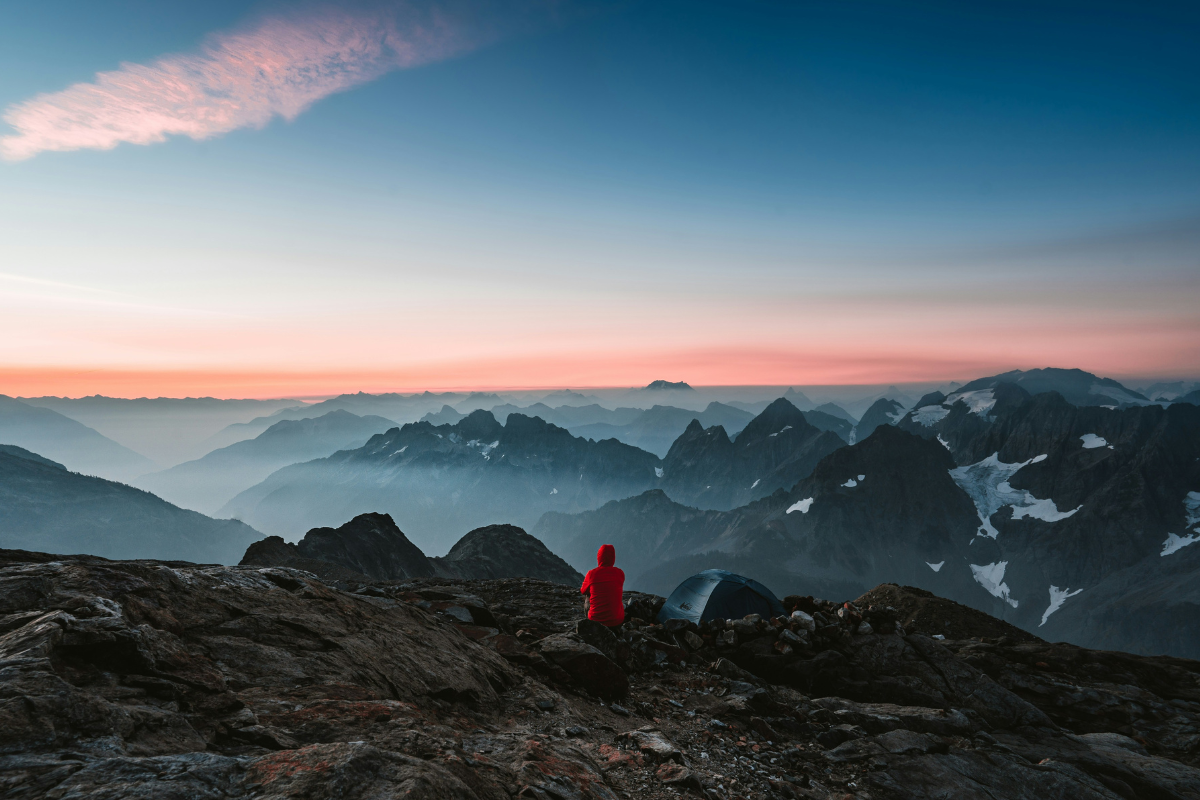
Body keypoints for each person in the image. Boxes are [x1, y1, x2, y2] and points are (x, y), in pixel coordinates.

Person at [580, 543, 625, 629]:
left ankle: (592, 617)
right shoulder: (620, 573)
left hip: (595, 621)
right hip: (617, 621)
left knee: (588, 594)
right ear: (613, 558)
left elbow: (583, 591)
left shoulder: (591, 574)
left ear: (599, 557)